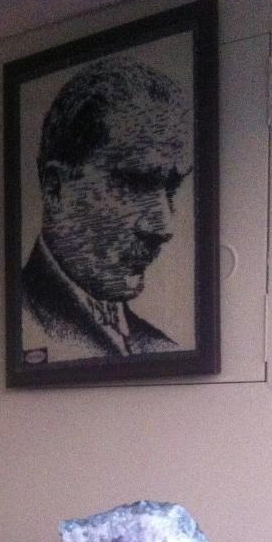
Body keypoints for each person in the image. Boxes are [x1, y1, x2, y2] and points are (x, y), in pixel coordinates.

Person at [21, 55, 193, 362]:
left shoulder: (158, 347)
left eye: (172, 187)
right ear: (56, 188)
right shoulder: (23, 320)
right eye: (136, 183)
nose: (164, 227)